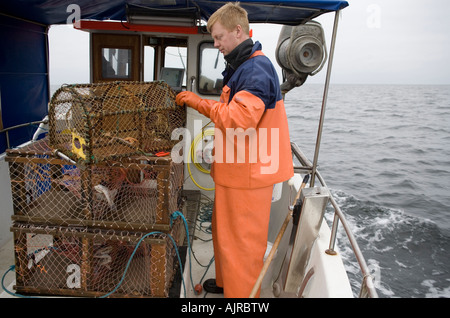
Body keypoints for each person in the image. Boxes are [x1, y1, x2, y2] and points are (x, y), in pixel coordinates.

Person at [176, 2, 293, 298]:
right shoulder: (243, 66)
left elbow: (240, 121)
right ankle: (228, 285)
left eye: (218, 38)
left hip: (250, 177)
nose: (215, 45)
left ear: (237, 31)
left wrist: (197, 101)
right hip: (236, 173)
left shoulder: (257, 68)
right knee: (224, 235)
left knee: (242, 246)